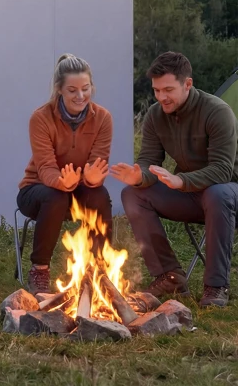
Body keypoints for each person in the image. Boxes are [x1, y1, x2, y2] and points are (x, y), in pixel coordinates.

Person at [111, 51, 238, 308]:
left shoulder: (217, 112)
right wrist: (140, 176)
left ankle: (215, 286)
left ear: (187, 84)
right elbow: (148, 161)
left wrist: (181, 180)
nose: (161, 97)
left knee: (217, 193)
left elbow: (223, 170)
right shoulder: (156, 116)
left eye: (168, 89)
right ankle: (170, 276)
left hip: (228, 194)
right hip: (192, 195)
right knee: (133, 194)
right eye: (157, 90)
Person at [17, 54, 113, 296]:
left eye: (85, 88)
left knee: (99, 194)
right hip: (37, 190)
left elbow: (98, 164)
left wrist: (91, 179)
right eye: (72, 90)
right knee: (56, 197)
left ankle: (99, 269)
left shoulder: (103, 118)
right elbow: (45, 167)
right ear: (59, 89)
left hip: (79, 188)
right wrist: (62, 183)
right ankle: (39, 269)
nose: (80, 96)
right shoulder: (41, 118)